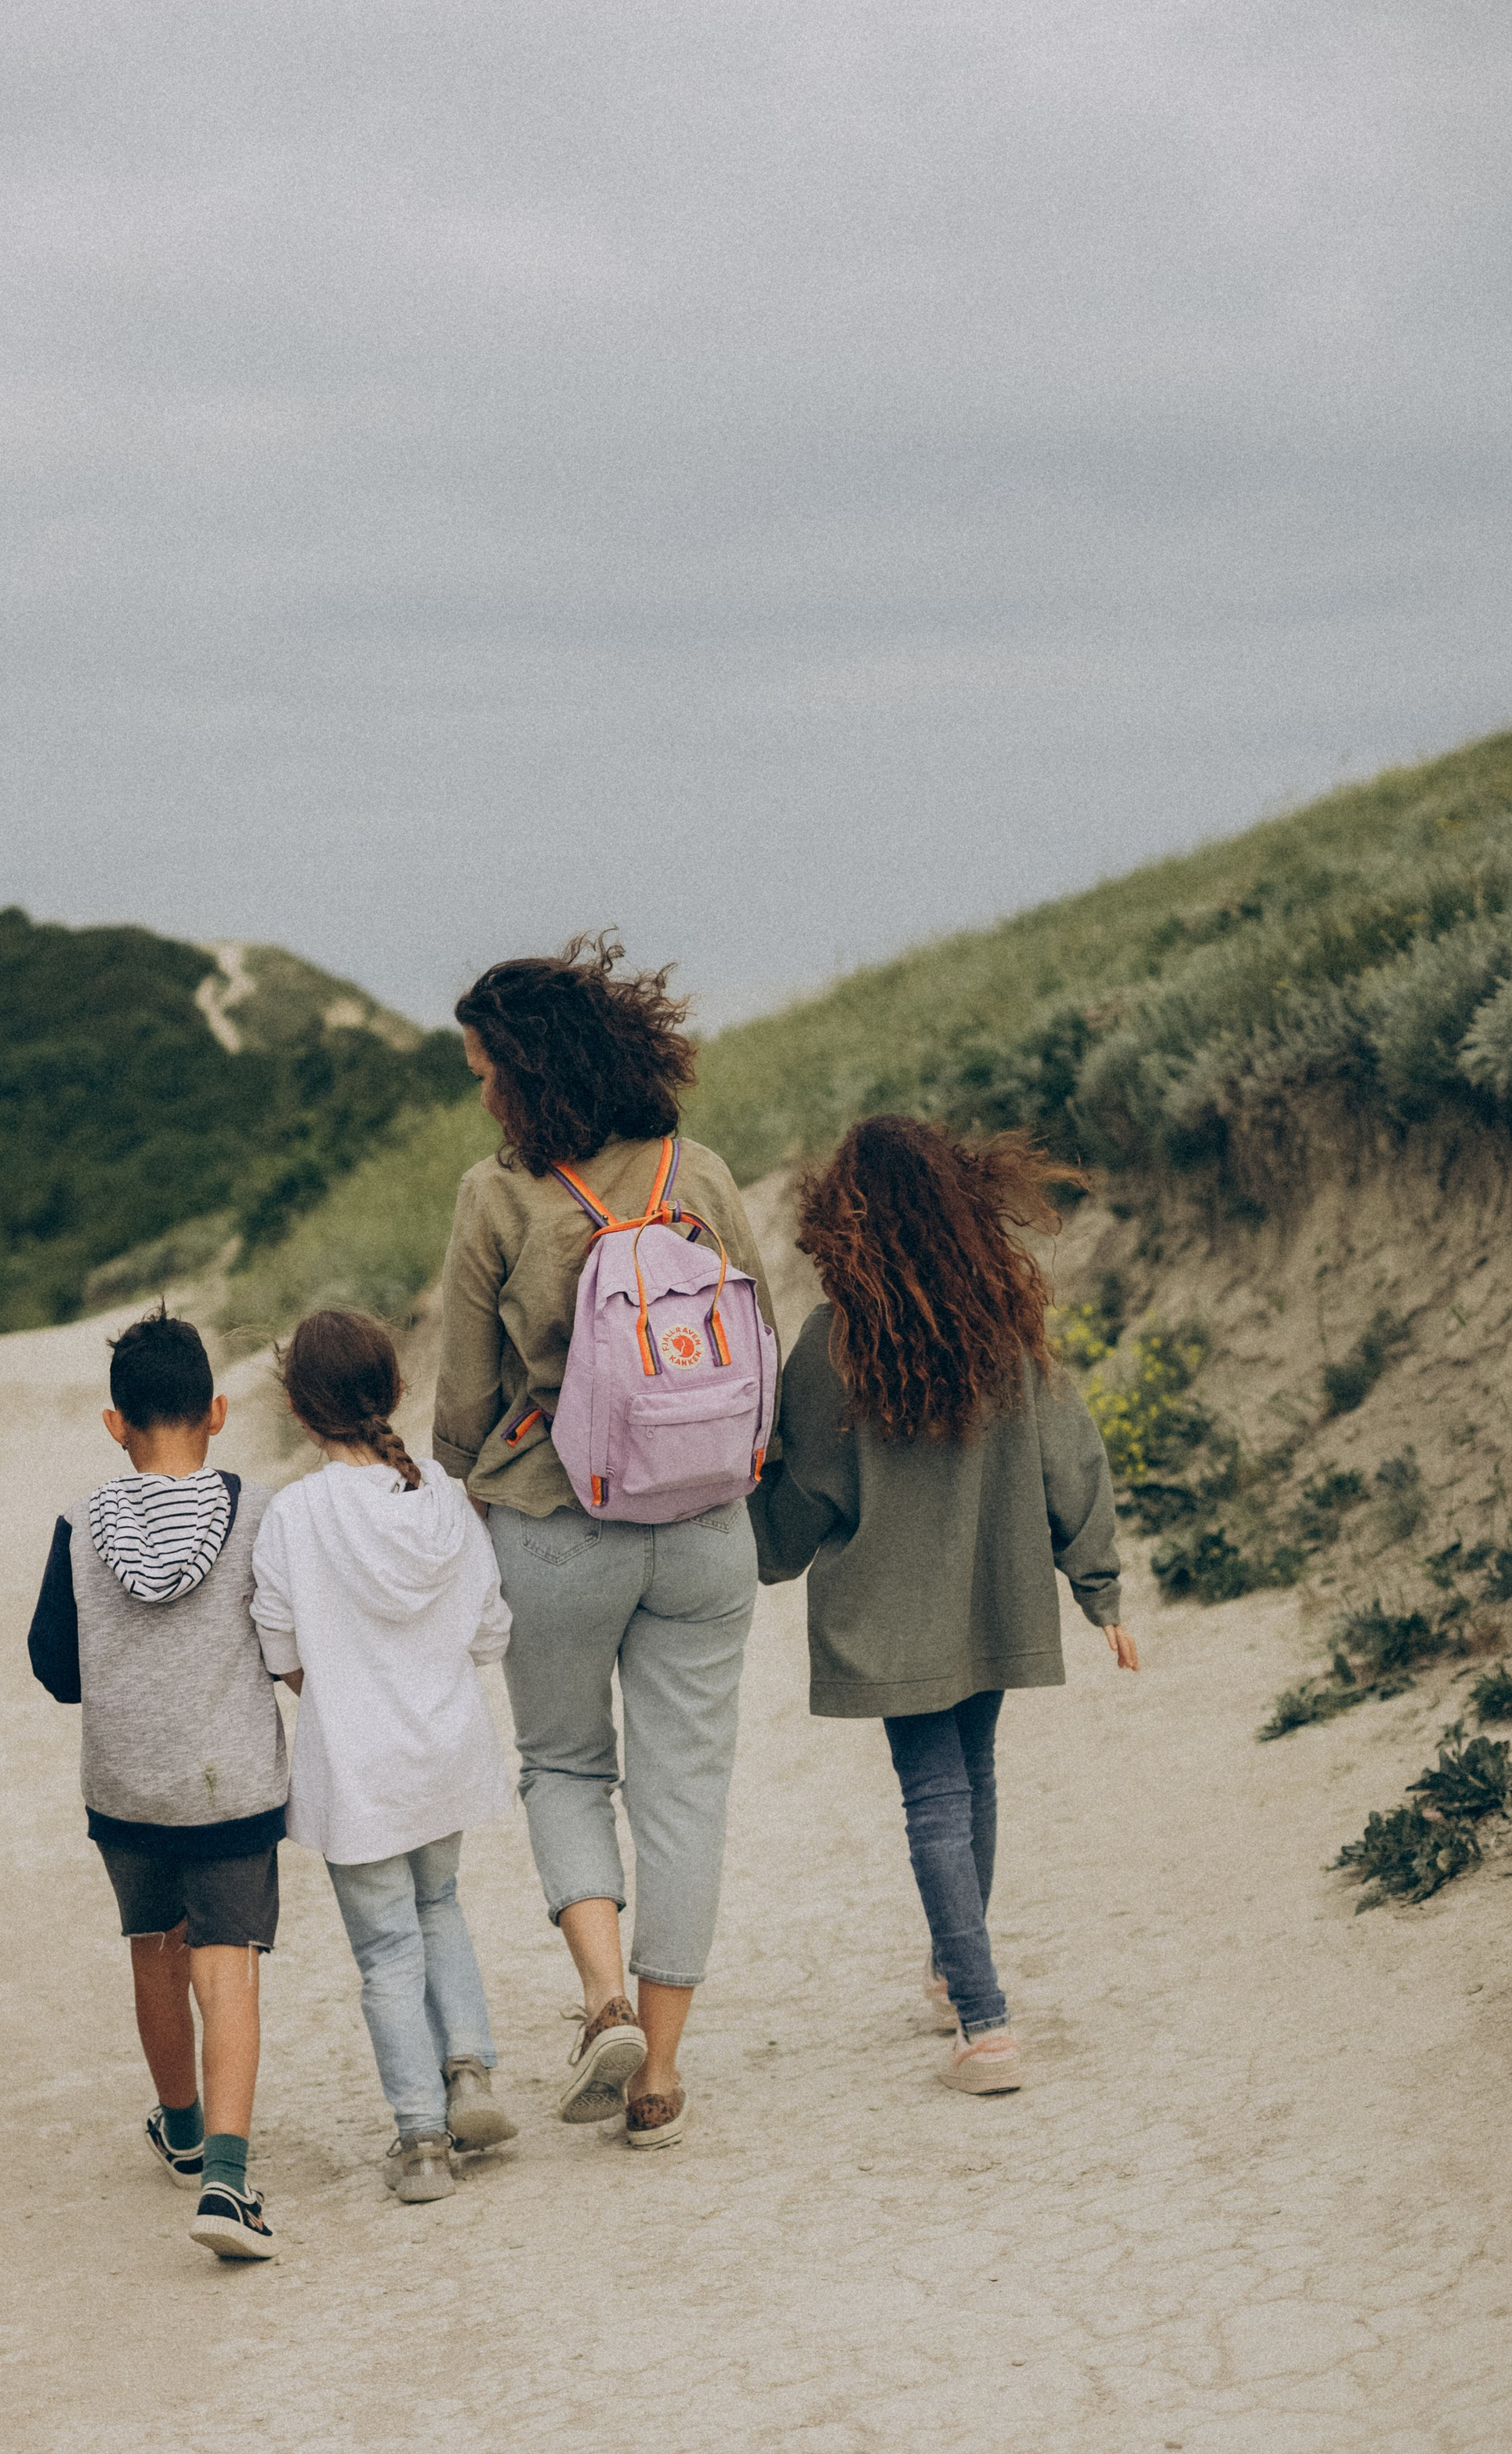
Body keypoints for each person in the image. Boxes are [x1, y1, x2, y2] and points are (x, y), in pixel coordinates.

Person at [435, 935, 778, 2149]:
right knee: (686, 1791)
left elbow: (465, 1403)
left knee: (568, 1766)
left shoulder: (498, 1194)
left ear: (525, 1074)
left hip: (557, 1523)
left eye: (483, 1070)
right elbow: (762, 1343)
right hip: (702, 1530)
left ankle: (600, 2001)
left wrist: (456, 1497)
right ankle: (662, 2075)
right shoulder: (702, 1171)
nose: (479, 1094)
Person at [748, 1115, 1138, 2094]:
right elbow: (1071, 1457)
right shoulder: (1003, 1329)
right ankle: (954, 1970)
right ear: (958, 1206)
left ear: (844, 1216)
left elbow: (805, 1497)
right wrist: (1099, 1590)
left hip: (893, 1615)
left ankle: (985, 2020)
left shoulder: (829, 1343)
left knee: (934, 1796)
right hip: (993, 1596)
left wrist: (757, 1534)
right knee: (975, 1776)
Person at [27, 1306, 285, 2260]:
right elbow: (285, 1637)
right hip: (230, 1790)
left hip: (126, 1787)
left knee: (154, 1950)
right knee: (228, 1965)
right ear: (216, 1414)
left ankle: (178, 2129)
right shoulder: (258, 1513)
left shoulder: (77, 1522)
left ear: (114, 1425)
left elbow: (55, 1665)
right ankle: (226, 2181)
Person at [251, 1309, 517, 2205]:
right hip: (444, 1754)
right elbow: (490, 1632)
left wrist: (332, 1689)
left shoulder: (294, 1514)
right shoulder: (440, 1493)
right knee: (440, 1907)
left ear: (296, 1406)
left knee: (387, 1954)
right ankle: (471, 2072)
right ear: (397, 1390)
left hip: (358, 1774)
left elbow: (277, 1647)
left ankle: (420, 2141)